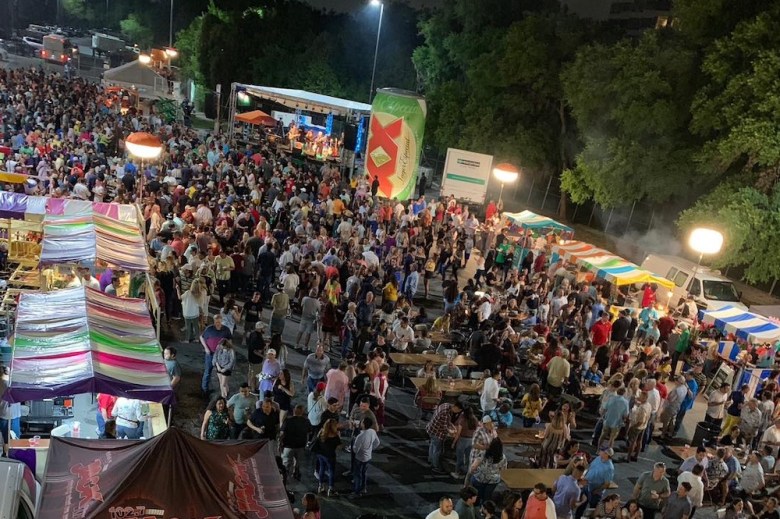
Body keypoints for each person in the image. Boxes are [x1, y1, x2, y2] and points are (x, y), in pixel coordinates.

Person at [199, 314, 232, 398]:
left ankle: (224, 392)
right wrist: (206, 348)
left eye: (219, 322)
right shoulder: (209, 329)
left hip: (221, 356)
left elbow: (230, 340)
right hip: (210, 353)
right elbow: (202, 337)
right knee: (208, 371)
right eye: (216, 322)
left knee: (222, 373)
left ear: (222, 321)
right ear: (214, 321)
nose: (218, 324)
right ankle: (204, 390)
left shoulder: (226, 330)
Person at [349, 416, 381, 498]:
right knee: (364, 473)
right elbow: (377, 442)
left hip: (359, 458)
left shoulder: (360, 436)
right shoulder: (372, 431)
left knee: (357, 475)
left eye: (362, 422)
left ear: (363, 425)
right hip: (368, 457)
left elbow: (355, 450)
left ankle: (357, 492)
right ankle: (363, 488)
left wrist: (354, 441)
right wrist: (370, 448)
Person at [469, 438, 507, 505]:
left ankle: (475, 507)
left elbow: (473, 467)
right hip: (493, 480)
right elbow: (503, 470)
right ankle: (484, 510)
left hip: (480, 478)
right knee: (487, 497)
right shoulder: (503, 457)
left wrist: (471, 474)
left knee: (477, 495)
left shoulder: (483, 453)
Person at [427, 401, 462, 473]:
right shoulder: (445, 413)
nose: (457, 412)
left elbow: (447, 421)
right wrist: (452, 432)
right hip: (437, 433)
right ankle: (436, 466)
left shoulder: (446, 405)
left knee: (432, 446)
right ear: (455, 407)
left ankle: (430, 460)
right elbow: (445, 427)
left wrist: (452, 426)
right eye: (458, 410)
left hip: (431, 429)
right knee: (437, 450)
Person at [280, 404, 310, 481]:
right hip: (300, 446)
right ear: (302, 412)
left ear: (294, 411)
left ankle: (284, 479)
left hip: (288, 446)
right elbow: (308, 433)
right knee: (298, 461)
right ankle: (296, 472)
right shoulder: (306, 421)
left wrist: (280, 444)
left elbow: (282, 434)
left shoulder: (288, 421)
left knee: (286, 464)